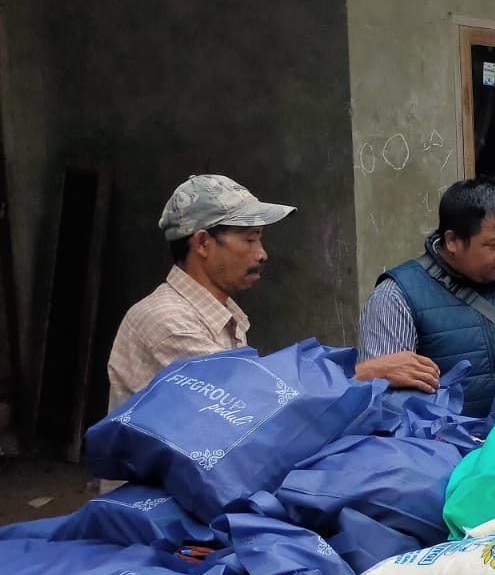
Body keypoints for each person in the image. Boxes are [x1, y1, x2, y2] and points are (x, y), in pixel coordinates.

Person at [108, 175, 437, 411]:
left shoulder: (220, 314)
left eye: (260, 240)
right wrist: (364, 372)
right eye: (250, 240)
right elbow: (250, 402)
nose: (262, 253)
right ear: (203, 243)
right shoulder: (167, 320)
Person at [358, 178, 495, 417]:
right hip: (450, 444)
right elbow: (374, 391)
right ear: (452, 241)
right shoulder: (396, 295)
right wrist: (378, 372)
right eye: (493, 244)